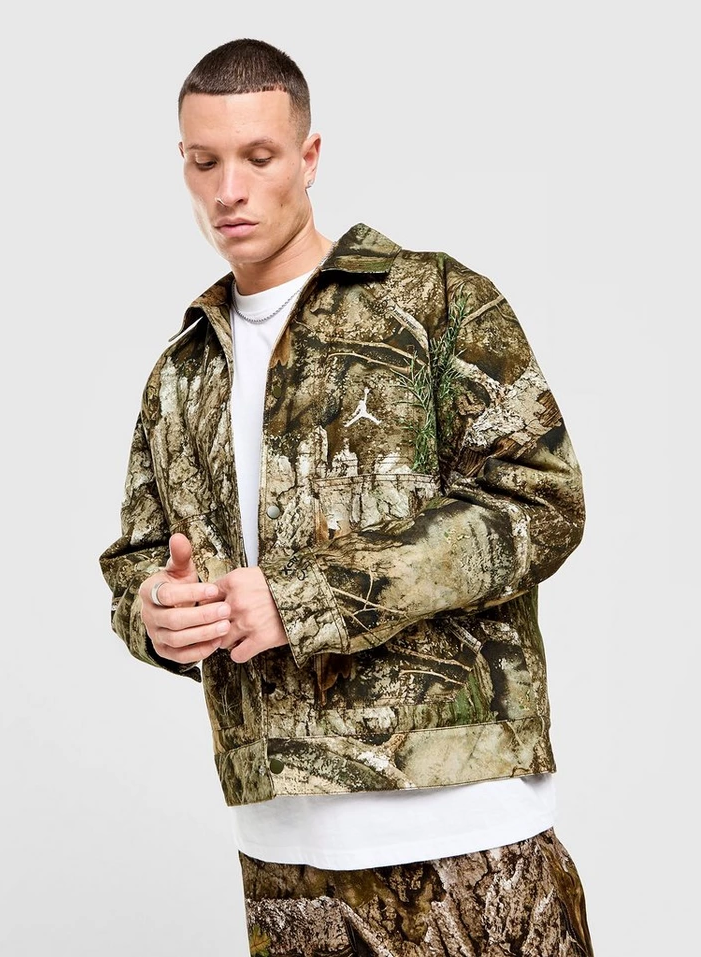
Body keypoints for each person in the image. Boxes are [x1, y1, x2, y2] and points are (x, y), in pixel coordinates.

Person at [99, 37, 594, 957]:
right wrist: (153, 612)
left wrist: (303, 598)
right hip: (281, 857)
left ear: (310, 155)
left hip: (465, 831)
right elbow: (136, 558)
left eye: (258, 157)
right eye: (204, 162)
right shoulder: (182, 370)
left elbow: (542, 502)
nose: (229, 191)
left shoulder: (434, 301)